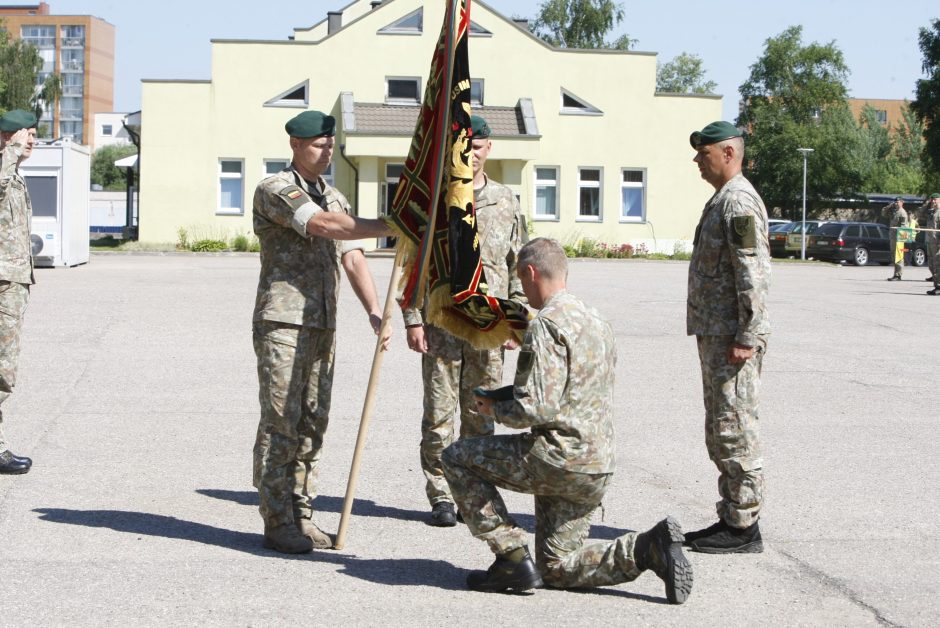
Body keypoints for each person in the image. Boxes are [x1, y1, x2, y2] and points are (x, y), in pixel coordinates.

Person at [441, 237, 693, 603]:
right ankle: (647, 549)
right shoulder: (596, 321)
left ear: (529, 273)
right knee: (556, 567)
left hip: (557, 460)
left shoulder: (545, 325)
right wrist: (506, 395)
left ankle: (510, 556)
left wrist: (492, 408)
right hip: (596, 466)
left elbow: (536, 409)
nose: (523, 292)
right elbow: (569, 390)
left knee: (456, 457)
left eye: (522, 281)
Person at [252, 110, 393, 554]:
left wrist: (374, 310)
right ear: (295, 144)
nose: (327, 149)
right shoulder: (275, 189)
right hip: (284, 323)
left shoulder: (335, 196)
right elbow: (321, 226)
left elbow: (351, 255)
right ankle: (277, 520)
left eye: (331, 143)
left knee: (314, 421)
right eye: (318, 143)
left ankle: (301, 513)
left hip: (322, 324)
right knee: (282, 422)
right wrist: (394, 225)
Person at [404, 115, 528, 527]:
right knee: (438, 415)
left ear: (488, 149)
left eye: (476, 148)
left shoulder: (506, 201)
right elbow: (414, 265)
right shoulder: (438, 200)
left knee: (481, 412)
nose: (470, 155)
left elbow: (516, 264)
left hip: (488, 326)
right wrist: (412, 319)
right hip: (441, 323)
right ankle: (440, 495)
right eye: (463, 148)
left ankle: (470, 491)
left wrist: (515, 320)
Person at [684, 121, 771, 554]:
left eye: (705, 153)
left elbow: (753, 274)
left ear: (729, 154)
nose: (699, 161)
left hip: (732, 338)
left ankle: (743, 526)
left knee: (735, 428)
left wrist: (748, 334)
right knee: (721, 427)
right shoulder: (721, 199)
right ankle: (732, 516)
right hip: (718, 334)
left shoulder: (737, 202)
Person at [0, 110, 39, 476]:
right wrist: (9, 153)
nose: (31, 140)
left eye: (32, 134)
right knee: (2, 370)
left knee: (3, 370)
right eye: (24, 134)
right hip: (2, 285)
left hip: (10, 284)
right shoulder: (3, 170)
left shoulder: (14, 175)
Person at [920, 193, 940, 295]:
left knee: (937, 265)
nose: (933, 202)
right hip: (930, 242)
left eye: (935, 200)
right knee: (931, 265)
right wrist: (926, 204)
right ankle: (936, 285)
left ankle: (939, 286)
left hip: (937, 243)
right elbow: (919, 214)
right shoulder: (931, 212)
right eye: (932, 200)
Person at [885, 197, 909, 281]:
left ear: (902, 203)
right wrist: (889, 207)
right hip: (893, 236)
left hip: (899, 238)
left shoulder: (902, 213)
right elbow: (883, 213)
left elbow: (905, 227)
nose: (896, 204)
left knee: (898, 256)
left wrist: (902, 240)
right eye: (895, 202)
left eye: (898, 202)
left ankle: (898, 275)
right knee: (894, 255)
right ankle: (895, 273)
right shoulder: (894, 212)